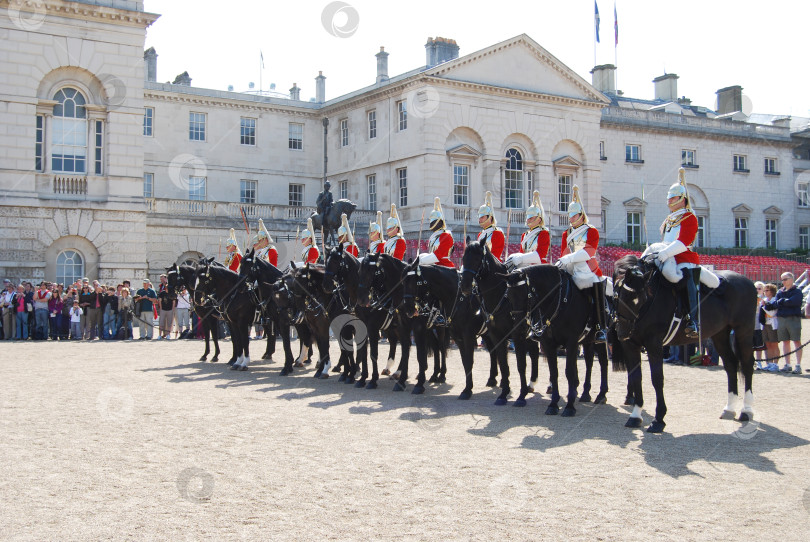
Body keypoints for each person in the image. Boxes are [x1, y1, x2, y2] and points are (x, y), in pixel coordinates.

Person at [556, 185, 608, 344]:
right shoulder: (567, 233)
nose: (571, 218)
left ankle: (600, 327)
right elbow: (564, 253)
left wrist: (569, 258)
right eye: (570, 215)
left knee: (596, 287)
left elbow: (588, 253)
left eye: (574, 215)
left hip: (588, 268)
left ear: (581, 215)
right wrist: (563, 261)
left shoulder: (591, 231)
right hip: (572, 268)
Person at [654, 167, 701, 338]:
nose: (670, 200)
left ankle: (692, 319)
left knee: (686, 276)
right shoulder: (669, 219)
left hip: (683, 257)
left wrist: (666, 253)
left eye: (673, 197)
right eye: (669, 197)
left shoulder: (689, 217)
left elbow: (684, 241)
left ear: (682, 199)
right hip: (667, 255)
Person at [764, 272, 803, 374]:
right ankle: (788, 364)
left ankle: (798, 365)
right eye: (782, 280)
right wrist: (783, 301)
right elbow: (776, 303)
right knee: (785, 341)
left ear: (791, 279)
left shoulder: (797, 291)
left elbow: (794, 302)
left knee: (796, 341)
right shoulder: (780, 292)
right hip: (781, 319)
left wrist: (781, 302)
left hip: (793, 318)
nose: (783, 282)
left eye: (785, 279)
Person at [506, 190, 550, 271]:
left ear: (539, 219)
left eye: (531, 218)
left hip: (539, 268)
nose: (528, 220)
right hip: (524, 268)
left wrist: (521, 258)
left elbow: (540, 254)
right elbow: (522, 253)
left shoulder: (543, 233)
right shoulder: (525, 235)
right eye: (528, 218)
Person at [417, 197, 455, 268]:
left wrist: (421, 260)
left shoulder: (446, 236)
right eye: (431, 221)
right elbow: (431, 254)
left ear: (440, 222)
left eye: (434, 221)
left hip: (444, 267)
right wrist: (420, 257)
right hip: (433, 266)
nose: (431, 224)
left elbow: (438, 255)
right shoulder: (434, 237)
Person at [477, 191, 505, 261]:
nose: (480, 219)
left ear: (490, 217)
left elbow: (495, 256)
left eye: (482, 217)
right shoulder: (480, 234)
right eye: (479, 217)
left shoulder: (497, 233)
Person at [761, 283, 780, 372]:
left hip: (773, 324)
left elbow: (772, 313)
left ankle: (775, 364)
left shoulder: (774, 300)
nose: (765, 292)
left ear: (772, 291)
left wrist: (764, 306)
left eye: (767, 290)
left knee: (774, 344)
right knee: (768, 344)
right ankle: (769, 363)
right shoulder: (763, 300)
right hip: (765, 324)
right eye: (764, 290)